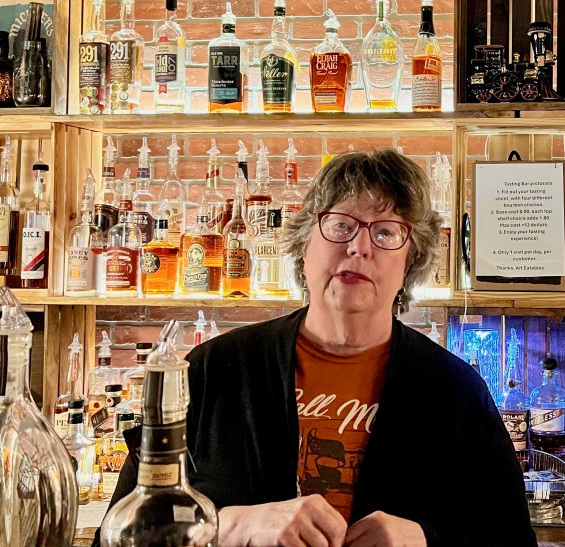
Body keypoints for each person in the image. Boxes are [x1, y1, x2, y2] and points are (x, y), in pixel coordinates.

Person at [100, 148, 537, 547]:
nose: (358, 247)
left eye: (386, 233)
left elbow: (513, 540)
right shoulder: (213, 370)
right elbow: (120, 535)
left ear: (410, 264)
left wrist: (425, 540)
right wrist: (232, 526)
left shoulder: (455, 391)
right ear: (303, 245)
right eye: (341, 225)